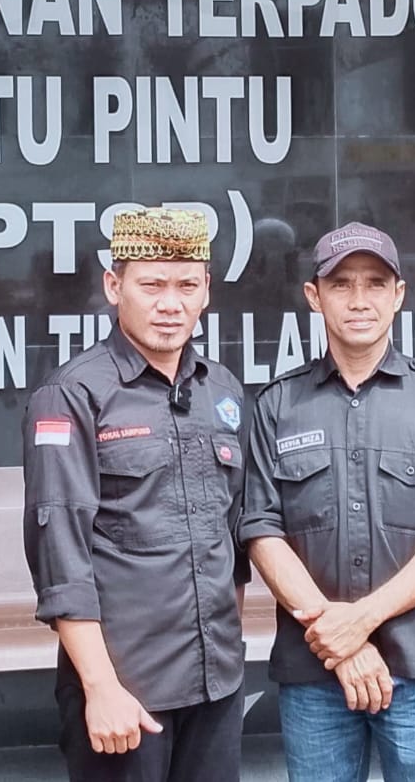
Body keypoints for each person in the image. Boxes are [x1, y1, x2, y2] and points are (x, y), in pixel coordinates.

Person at [239, 222, 415, 782]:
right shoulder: (278, 404)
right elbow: (261, 531)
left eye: (376, 283)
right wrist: (340, 642)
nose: (359, 300)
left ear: (398, 295)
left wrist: (360, 621)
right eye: (341, 284)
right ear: (314, 296)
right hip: (315, 669)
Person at [22, 207, 249, 782]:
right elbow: (60, 556)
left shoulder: (221, 390)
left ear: (206, 291)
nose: (170, 304)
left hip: (217, 681)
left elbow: (232, 540)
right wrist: (100, 687)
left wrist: (228, 653)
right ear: (113, 286)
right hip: (126, 688)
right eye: (152, 285)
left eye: (187, 286)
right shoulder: (73, 394)